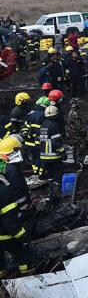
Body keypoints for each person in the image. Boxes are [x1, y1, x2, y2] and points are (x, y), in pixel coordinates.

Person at [0, 136, 33, 277]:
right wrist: (22, 235)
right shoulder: (11, 174)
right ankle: (27, 273)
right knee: (21, 250)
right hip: (8, 231)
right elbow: (9, 218)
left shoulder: (7, 168)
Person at [38, 105, 65, 197]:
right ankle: (57, 190)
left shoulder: (43, 124)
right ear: (55, 115)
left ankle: (51, 190)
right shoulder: (54, 126)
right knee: (58, 173)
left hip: (44, 155)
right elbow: (56, 142)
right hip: (53, 156)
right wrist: (62, 152)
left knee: (50, 174)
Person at [24, 97, 49, 177]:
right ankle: (41, 174)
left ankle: (35, 171)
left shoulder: (31, 113)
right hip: (38, 142)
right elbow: (44, 129)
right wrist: (44, 142)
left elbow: (26, 127)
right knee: (40, 158)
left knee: (34, 157)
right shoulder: (44, 115)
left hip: (29, 141)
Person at [67, 98, 88, 169]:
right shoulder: (74, 114)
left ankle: (78, 163)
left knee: (76, 149)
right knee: (80, 149)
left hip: (75, 134)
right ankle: (79, 164)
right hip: (78, 135)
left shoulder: (72, 112)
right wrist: (85, 134)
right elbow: (78, 127)